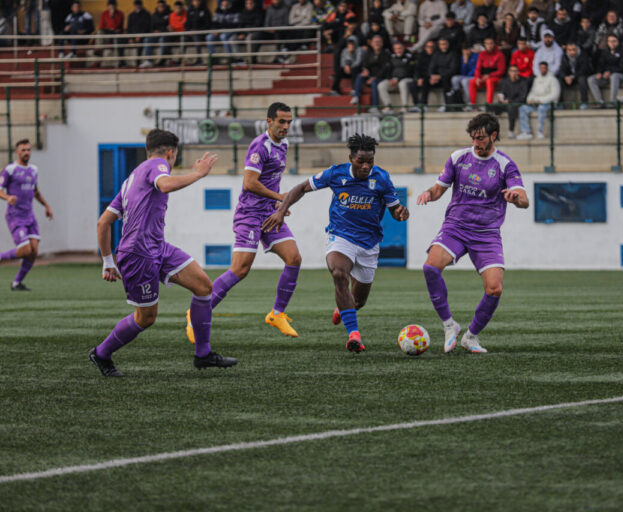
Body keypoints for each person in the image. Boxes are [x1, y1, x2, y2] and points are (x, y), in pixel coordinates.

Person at [92, 129, 237, 377]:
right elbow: (165, 184)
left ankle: (203, 355)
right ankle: (101, 353)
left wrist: (108, 261)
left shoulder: (131, 179)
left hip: (157, 247)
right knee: (146, 317)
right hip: (138, 254)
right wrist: (198, 173)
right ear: (170, 153)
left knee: (203, 286)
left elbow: (103, 222)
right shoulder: (157, 165)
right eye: (174, 157)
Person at [263, 134, 409, 353]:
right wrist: (282, 211)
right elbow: (301, 188)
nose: (366, 166)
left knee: (358, 301)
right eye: (361, 161)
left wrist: (400, 213)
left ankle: (343, 310)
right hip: (341, 236)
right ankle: (354, 335)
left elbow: (394, 211)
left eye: (370, 161)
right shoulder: (335, 173)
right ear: (351, 158)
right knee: (339, 273)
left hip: (369, 243)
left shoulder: (382, 179)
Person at [187, 102, 303, 342]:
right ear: (269, 121)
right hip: (249, 215)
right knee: (240, 269)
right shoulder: (259, 147)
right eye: (281, 121)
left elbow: (271, 180)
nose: (286, 126)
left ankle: (277, 314)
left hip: (269, 213)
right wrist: (280, 198)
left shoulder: (285, 145)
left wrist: (277, 206)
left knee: (294, 258)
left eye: (289, 122)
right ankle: (195, 313)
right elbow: (249, 183)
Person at [417, 112, 528, 354]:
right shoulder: (459, 158)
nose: (476, 143)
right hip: (455, 227)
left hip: (487, 233)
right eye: (473, 138)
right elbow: (438, 190)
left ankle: (471, 336)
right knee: (430, 267)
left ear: (493, 136)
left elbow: (525, 200)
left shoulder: (505, 165)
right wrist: (428, 193)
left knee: (495, 288)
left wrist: (515, 198)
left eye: (480, 138)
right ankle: (449, 325)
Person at [0, 139, 54, 291]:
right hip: (15, 216)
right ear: (17, 152)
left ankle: (17, 283)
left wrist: (46, 205)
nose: (26, 152)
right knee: (25, 250)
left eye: (28, 150)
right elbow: (0, 190)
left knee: (34, 252)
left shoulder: (33, 170)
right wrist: (8, 197)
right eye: (23, 150)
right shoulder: (10, 169)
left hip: (30, 216)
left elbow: (35, 191)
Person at [517, 60, 560, 139]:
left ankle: (540, 131)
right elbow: (532, 92)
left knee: (542, 108)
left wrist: (541, 100)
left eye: (544, 68)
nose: (542, 69)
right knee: (523, 108)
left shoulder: (553, 79)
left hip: (549, 104)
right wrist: (530, 99)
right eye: (541, 68)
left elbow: (554, 95)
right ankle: (526, 132)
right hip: (536, 103)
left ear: (547, 69)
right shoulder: (536, 79)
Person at [587, 33, 623, 107]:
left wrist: (610, 71)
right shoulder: (605, 52)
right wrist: (599, 72)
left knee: (614, 76)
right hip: (606, 75)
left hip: (620, 74)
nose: (612, 43)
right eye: (610, 41)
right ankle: (600, 102)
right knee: (591, 79)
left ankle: (613, 102)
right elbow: (601, 64)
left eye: (614, 41)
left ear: (618, 42)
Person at [352, 33, 390, 109]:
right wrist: (365, 69)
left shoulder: (385, 53)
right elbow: (364, 64)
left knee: (374, 83)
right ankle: (356, 96)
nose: (377, 43)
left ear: (382, 43)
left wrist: (374, 77)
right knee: (360, 75)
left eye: (379, 42)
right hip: (370, 75)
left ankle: (375, 106)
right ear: (371, 43)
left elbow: (385, 69)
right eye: (375, 42)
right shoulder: (369, 53)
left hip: (381, 77)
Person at [377, 40, 415, 112]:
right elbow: (388, 70)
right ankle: (388, 106)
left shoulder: (409, 57)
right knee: (381, 85)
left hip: (407, 79)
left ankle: (405, 106)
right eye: (396, 49)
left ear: (403, 48)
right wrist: (390, 79)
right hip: (394, 80)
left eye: (400, 48)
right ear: (394, 50)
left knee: (402, 84)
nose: (398, 50)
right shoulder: (391, 58)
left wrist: (398, 79)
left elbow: (409, 71)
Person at [468, 37, 505, 109]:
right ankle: (473, 105)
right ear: (484, 45)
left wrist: (490, 75)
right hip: (484, 76)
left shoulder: (500, 55)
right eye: (487, 44)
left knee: (489, 81)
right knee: (472, 82)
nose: (489, 45)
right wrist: (478, 77)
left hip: (495, 77)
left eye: (491, 43)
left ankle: (489, 104)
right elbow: (478, 68)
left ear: (494, 44)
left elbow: (501, 71)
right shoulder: (482, 54)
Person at [495, 64, 529, 135]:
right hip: (506, 102)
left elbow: (522, 98)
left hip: (517, 103)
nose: (514, 73)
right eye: (512, 71)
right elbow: (503, 93)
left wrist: (509, 101)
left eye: (515, 71)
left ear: (518, 72)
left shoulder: (523, 82)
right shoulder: (505, 82)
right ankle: (493, 130)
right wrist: (500, 97)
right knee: (493, 107)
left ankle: (511, 130)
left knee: (511, 107)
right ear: (509, 72)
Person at [558, 42, 592, 109]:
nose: (572, 52)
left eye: (574, 50)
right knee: (559, 80)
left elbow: (584, 69)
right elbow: (561, 70)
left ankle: (584, 102)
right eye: (570, 50)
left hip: (578, 76)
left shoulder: (582, 55)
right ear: (567, 50)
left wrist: (572, 77)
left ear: (577, 49)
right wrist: (565, 77)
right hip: (569, 78)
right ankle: (560, 103)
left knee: (582, 80)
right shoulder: (564, 57)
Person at [140, 0, 170, 68]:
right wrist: (154, 31)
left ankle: (163, 60)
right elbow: (151, 27)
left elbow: (169, 27)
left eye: (162, 6)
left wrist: (162, 31)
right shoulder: (154, 15)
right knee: (147, 40)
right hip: (156, 34)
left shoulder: (169, 14)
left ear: (165, 6)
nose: (161, 8)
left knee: (162, 40)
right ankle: (149, 60)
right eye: (159, 6)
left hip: (165, 34)